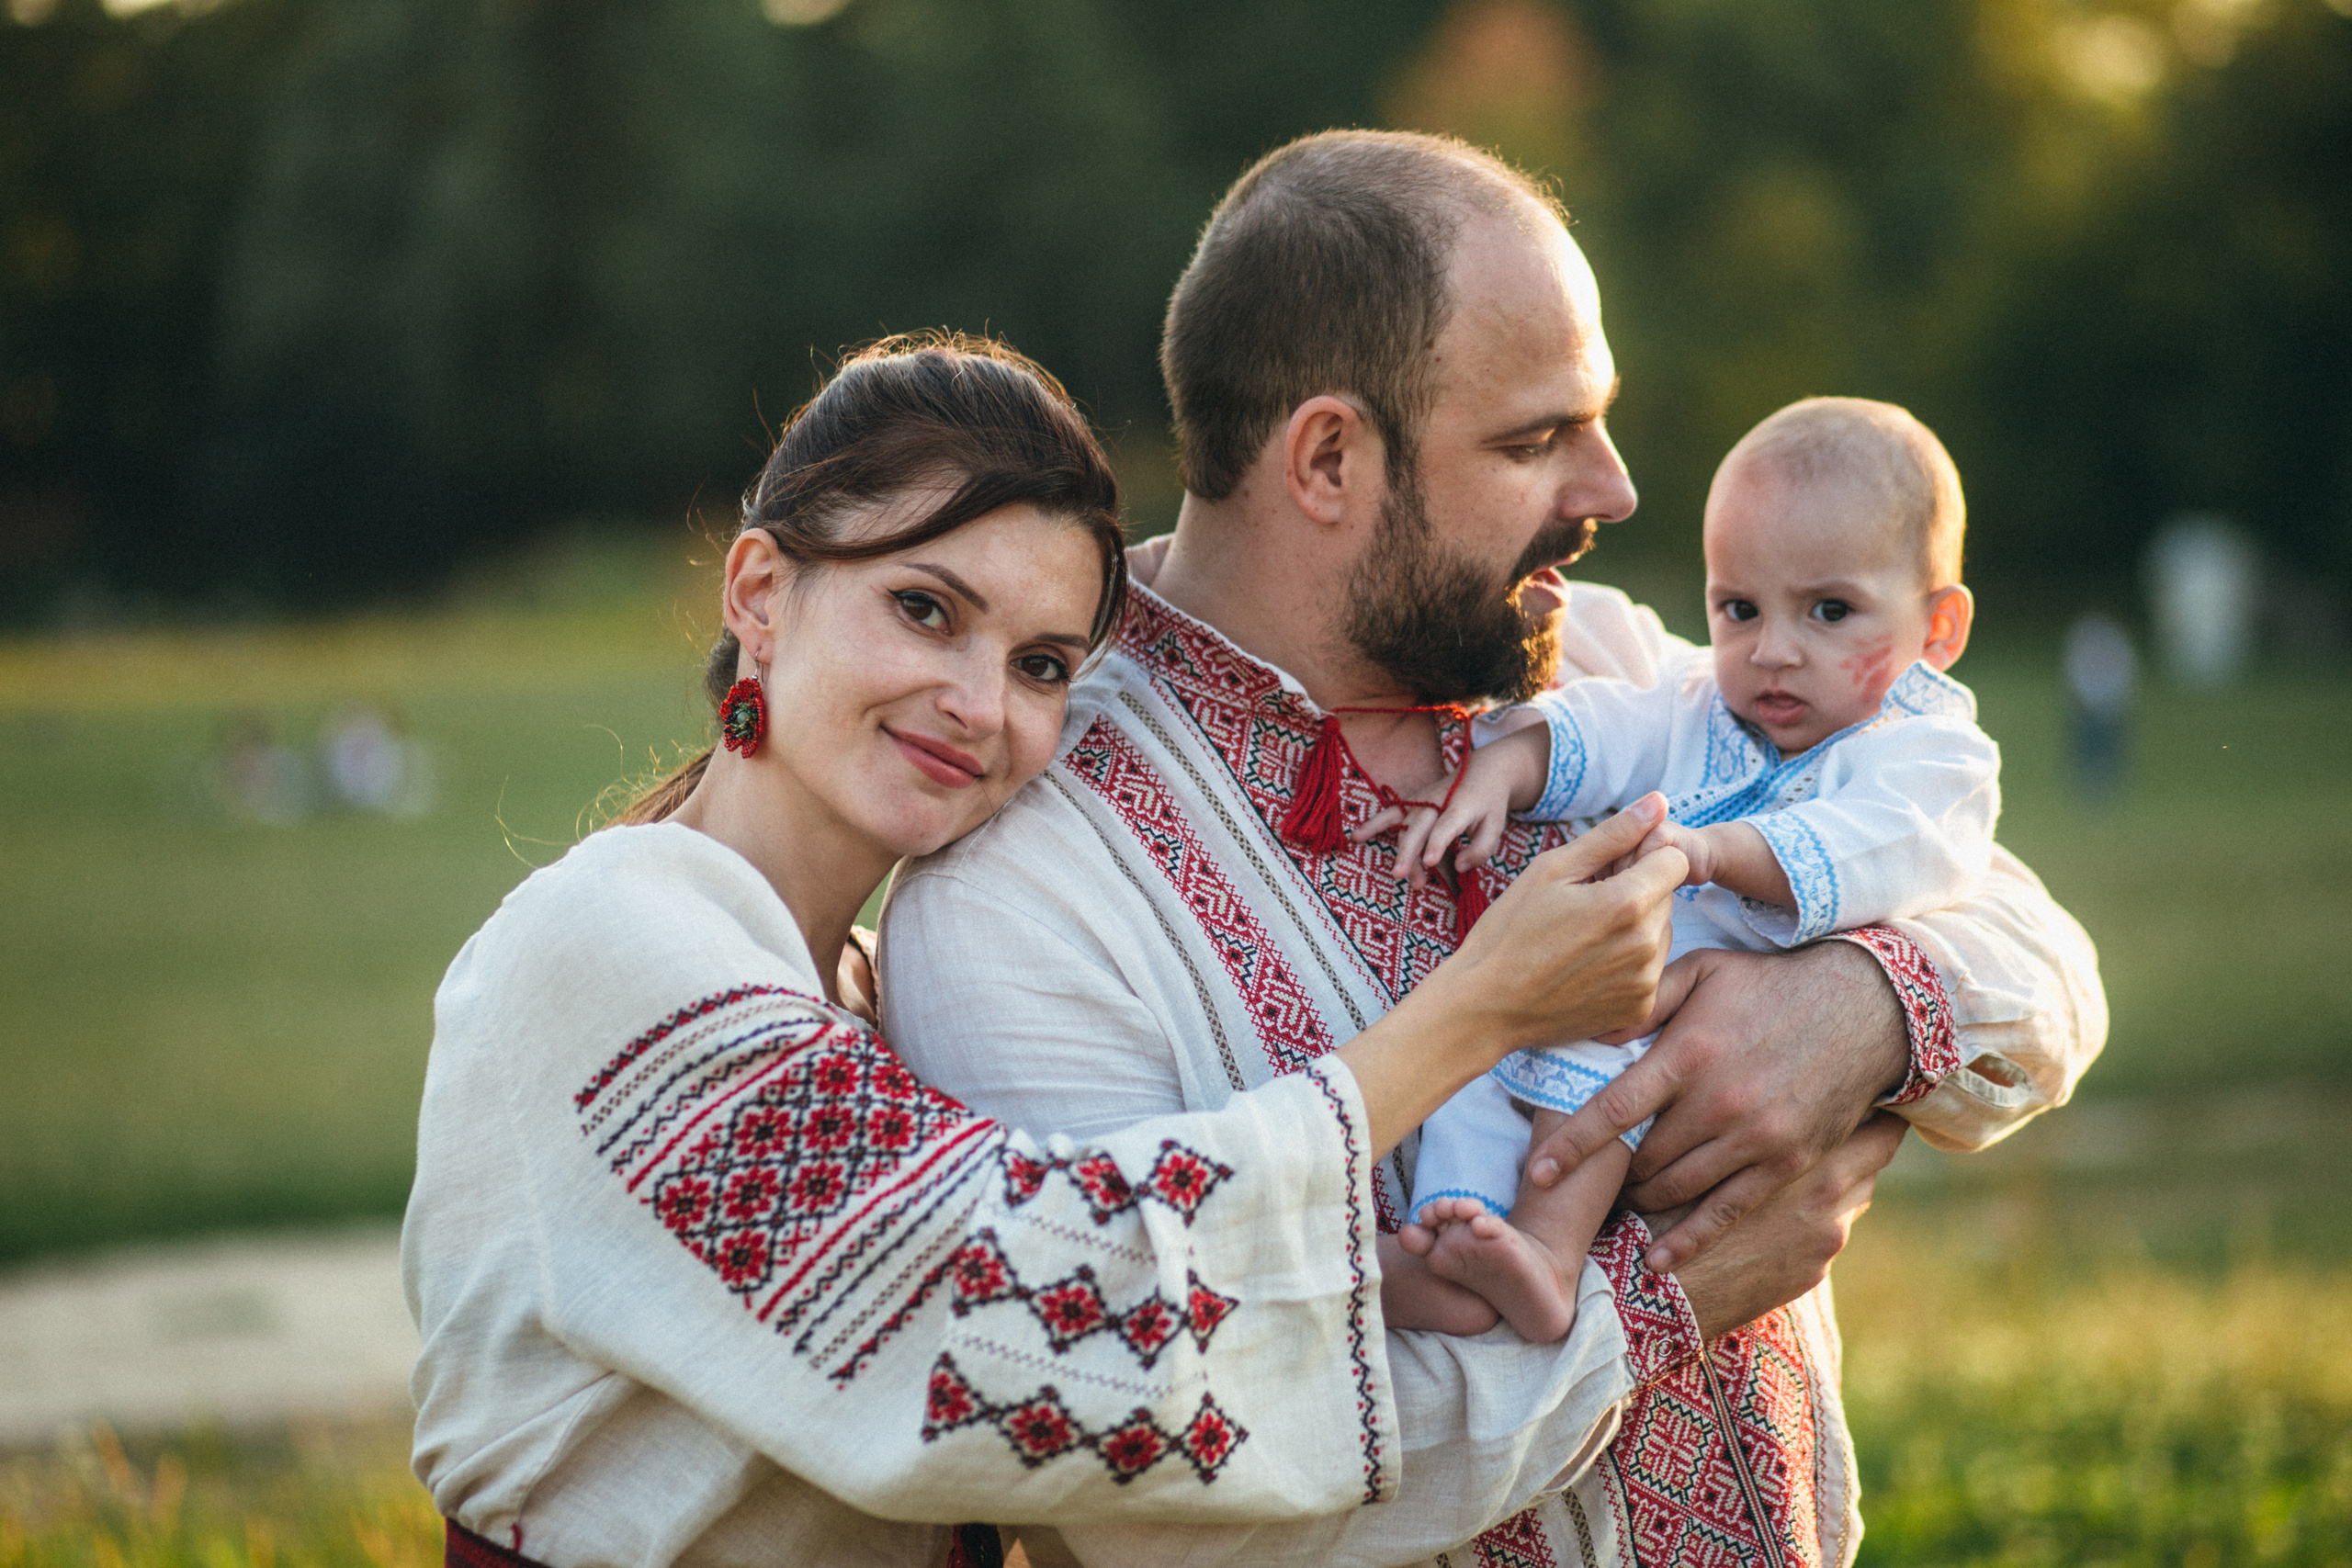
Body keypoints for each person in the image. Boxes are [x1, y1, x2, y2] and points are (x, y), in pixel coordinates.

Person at [880, 133, 2105, 1567]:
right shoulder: (1022, 878)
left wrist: (1863, 1004)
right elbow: (1164, 1498)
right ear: (1328, 456)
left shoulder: (1597, 657)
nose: (1617, 487)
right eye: (1536, 440)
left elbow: (2032, 943)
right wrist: (1650, 1299)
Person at [403, 333, 1723, 1568]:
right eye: (924, 608)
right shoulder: (612, 945)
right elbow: (1043, 1319)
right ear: (761, 590)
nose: (978, 703)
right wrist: (1483, 1017)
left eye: (1041, 663)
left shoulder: (858, 982)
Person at [1379, 397, 1999, 1343]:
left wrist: (1714, 851)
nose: (1774, 650)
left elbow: (1883, 842)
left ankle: (1545, 1256)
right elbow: (1614, 725)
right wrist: (1508, 763)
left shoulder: (1931, 755)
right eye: (1737, 609)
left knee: (1594, 1070)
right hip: (1609, 970)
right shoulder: (1707, 702)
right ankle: (1453, 1230)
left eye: (1830, 612)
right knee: (1478, 1050)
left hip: (1691, 1016)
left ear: (1938, 627)